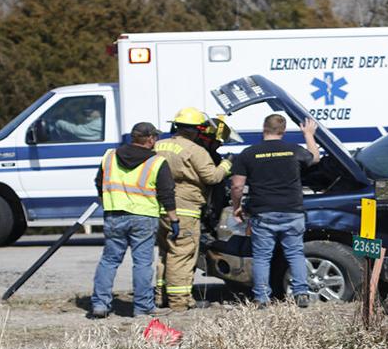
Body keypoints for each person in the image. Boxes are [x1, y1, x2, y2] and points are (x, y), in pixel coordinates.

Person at [230, 114, 320, 308]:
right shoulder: (293, 151)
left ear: (264, 128)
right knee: (295, 253)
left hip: (263, 212)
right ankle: (301, 293)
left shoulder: (248, 153)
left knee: (262, 257)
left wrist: (236, 207)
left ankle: (262, 299)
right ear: (283, 131)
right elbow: (315, 158)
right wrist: (308, 134)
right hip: (292, 211)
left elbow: (237, 186)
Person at [89, 122, 176, 319]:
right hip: (144, 217)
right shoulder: (157, 162)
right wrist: (174, 220)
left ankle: (100, 305)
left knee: (109, 260)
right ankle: (143, 308)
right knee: (143, 263)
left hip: (114, 215)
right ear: (151, 139)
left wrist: (109, 203)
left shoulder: (110, 156)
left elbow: (98, 183)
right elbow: (166, 193)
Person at [154, 107, 233, 311]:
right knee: (182, 255)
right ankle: (179, 301)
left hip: (159, 208)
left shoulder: (158, 145)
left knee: (166, 253)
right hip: (185, 210)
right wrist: (226, 164)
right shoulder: (195, 150)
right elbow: (212, 177)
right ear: (196, 130)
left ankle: (160, 296)